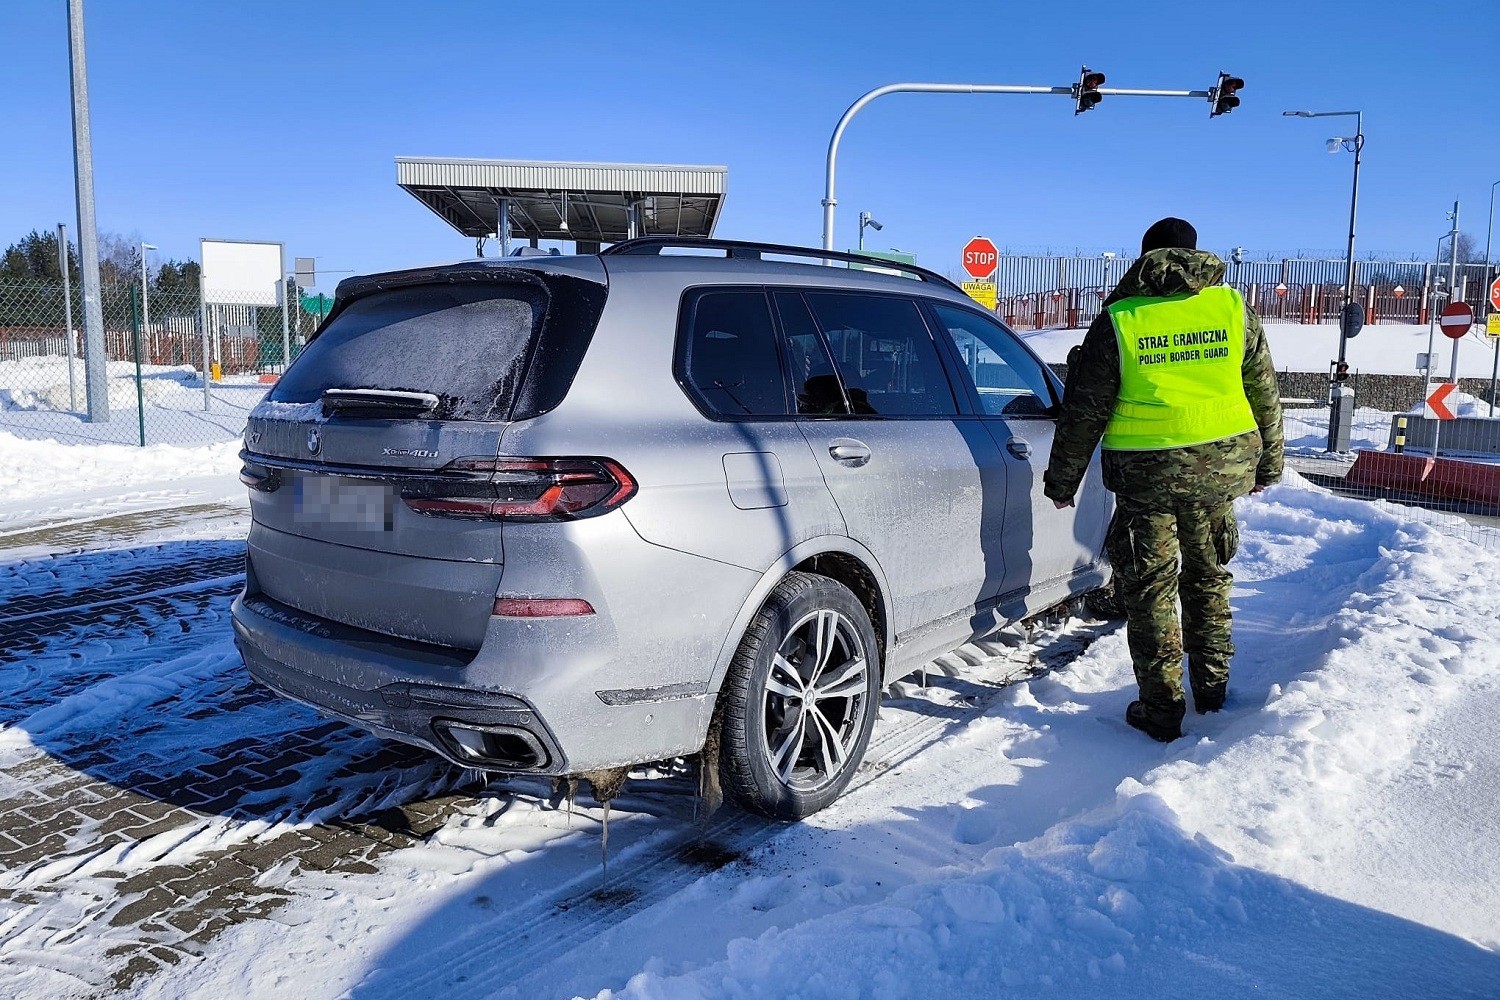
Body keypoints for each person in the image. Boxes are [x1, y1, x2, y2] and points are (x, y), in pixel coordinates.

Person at [1043, 218, 1283, 742]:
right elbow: (1264, 392)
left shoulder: (1120, 319)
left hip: (1146, 479)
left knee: (1151, 590)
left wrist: (1062, 482)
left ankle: (1162, 709)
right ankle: (1213, 692)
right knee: (1208, 577)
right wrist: (1268, 465)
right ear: (1195, 253)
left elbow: (1085, 410)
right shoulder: (1232, 310)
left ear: (1145, 256)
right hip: (1219, 472)